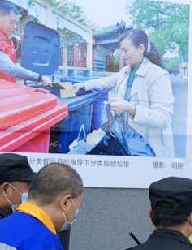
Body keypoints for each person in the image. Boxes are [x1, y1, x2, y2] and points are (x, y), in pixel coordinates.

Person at [74, 28, 174, 157]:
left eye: (126, 50)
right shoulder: (125, 71)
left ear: (141, 48)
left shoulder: (158, 76)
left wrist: (131, 109)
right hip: (128, 141)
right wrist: (83, 85)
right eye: (121, 51)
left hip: (149, 148)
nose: (122, 55)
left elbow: (163, 118)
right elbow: (105, 81)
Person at [0, 0, 51, 85]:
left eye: (16, 23)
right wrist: (39, 77)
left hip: (2, 88)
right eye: (12, 22)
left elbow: (12, 56)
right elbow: (9, 68)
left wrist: (22, 44)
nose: (15, 27)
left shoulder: (5, 38)